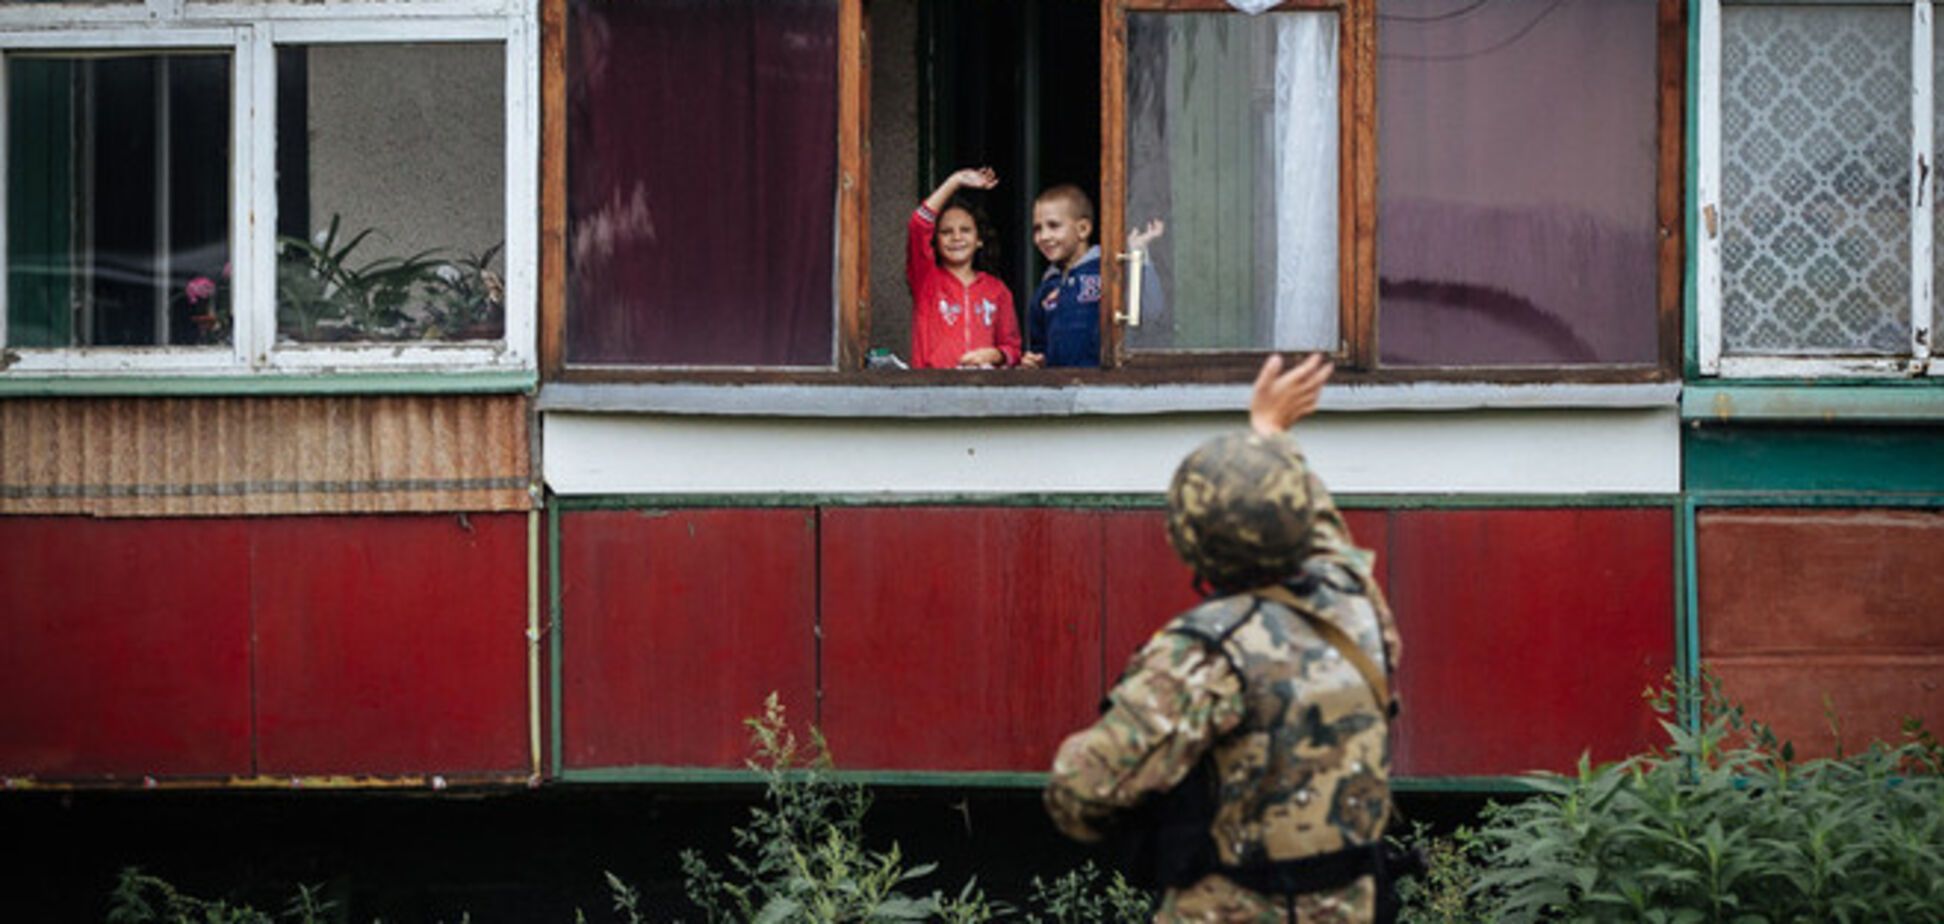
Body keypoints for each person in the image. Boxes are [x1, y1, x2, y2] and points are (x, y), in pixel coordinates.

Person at [1044, 353, 1405, 923]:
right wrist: (1272, 437)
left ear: (1190, 540)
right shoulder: (1355, 607)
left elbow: (1081, 794)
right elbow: (1319, 527)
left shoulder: (1206, 654)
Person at [1020, 185, 1165, 369]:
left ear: (1083, 229)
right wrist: (1036, 361)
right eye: (1037, 229)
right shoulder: (1047, 286)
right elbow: (1038, 345)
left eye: (1054, 226)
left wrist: (1139, 254)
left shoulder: (1107, 270)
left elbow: (1151, 310)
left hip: (1105, 385)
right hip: (1060, 389)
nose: (1043, 236)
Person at [907, 166, 1021, 370]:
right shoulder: (927, 281)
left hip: (983, 391)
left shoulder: (997, 290)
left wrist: (995, 354)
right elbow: (918, 224)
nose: (956, 237)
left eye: (965, 230)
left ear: (979, 240)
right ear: (936, 242)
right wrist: (955, 181)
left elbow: (1013, 350)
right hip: (932, 390)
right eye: (946, 232)